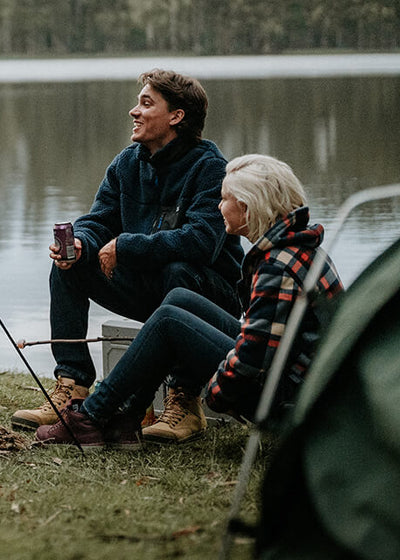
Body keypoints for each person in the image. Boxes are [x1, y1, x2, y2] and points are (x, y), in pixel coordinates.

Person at [34, 154, 344, 449]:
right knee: (179, 301)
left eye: (224, 199)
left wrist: (218, 394)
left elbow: (253, 360)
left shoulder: (278, 267)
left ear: (248, 208)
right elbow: (266, 343)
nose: (218, 207)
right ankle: (125, 417)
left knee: (169, 321)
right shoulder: (301, 248)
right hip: (301, 385)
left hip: (288, 403)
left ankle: (90, 418)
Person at [13, 69, 244, 431]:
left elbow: (200, 242)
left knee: (178, 272)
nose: (134, 111)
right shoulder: (127, 162)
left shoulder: (210, 169)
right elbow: (99, 220)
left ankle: (184, 399)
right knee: (69, 266)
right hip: (149, 288)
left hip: (208, 302)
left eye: (146, 104)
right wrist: (81, 243)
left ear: (176, 116)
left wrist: (125, 245)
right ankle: (72, 387)